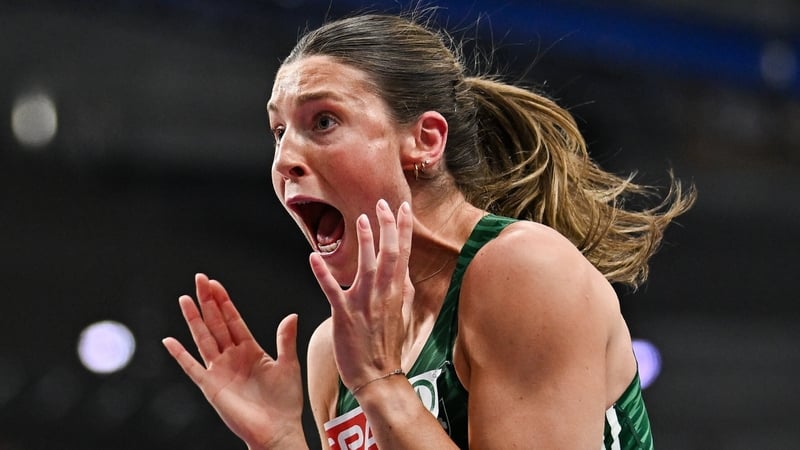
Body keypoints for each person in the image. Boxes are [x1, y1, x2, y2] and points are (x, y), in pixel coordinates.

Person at [162, 10, 695, 450]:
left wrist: (380, 384)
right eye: (279, 132)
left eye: (323, 121)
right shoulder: (334, 349)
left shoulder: (526, 270)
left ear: (425, 141)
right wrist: (279, 441)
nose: (284, 160)